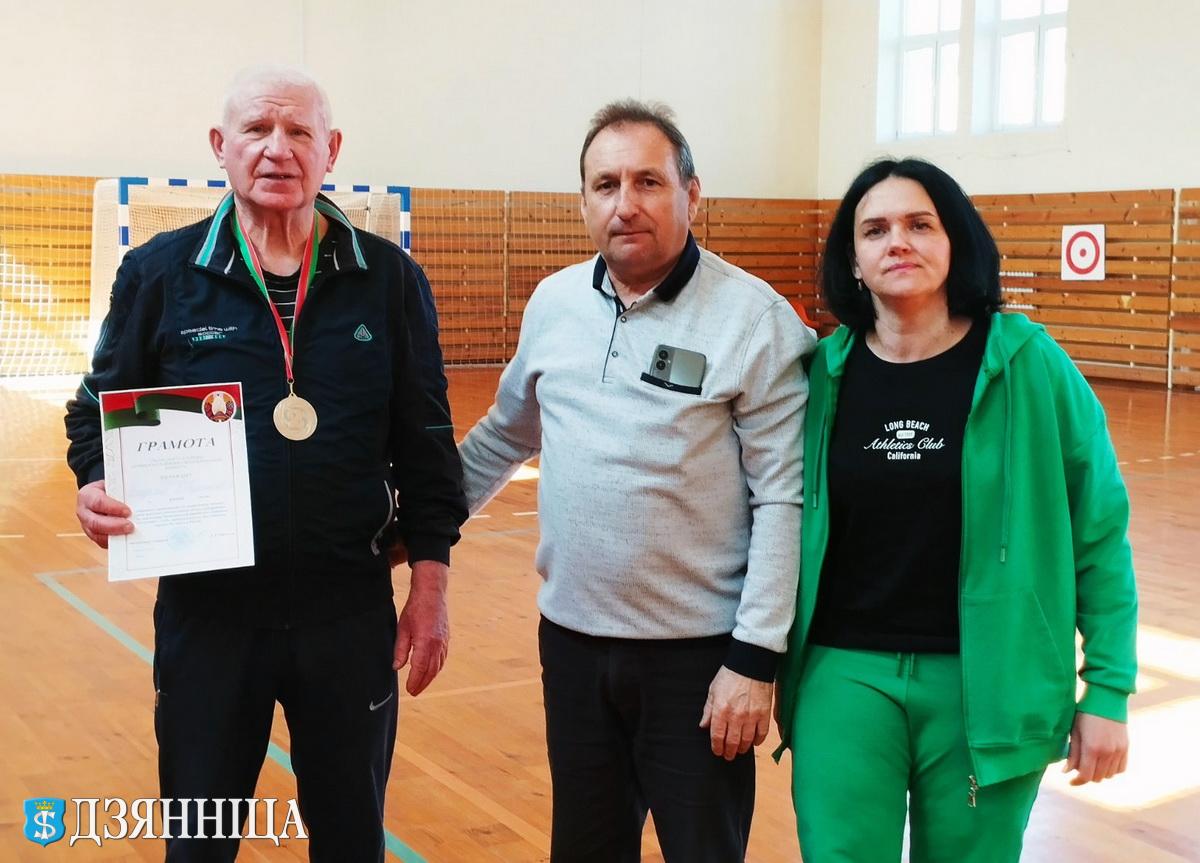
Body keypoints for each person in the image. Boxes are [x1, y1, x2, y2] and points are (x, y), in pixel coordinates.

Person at [64, 66, 467, 861]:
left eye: (298, 132)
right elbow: (93, 412)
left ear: (331, 150)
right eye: (256, 130)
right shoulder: (160, 273)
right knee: (200, 842)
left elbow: (427, 443)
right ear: (221, 145)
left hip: (348, 616)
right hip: (208, 618)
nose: (277, 149)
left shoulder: (389, 279)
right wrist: (93, 483)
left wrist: (431, 590)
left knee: (351, 839)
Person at [457, 100, 817, 862]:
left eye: (648, 181)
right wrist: (414, 528)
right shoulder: (554, 303)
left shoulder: (755, 320)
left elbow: (783, 498)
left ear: (692, 193)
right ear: (583, 200)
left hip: (699, 662)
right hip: (573, 647)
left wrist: (754, 659)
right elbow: (504, 436)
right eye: (606, 184)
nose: (626, 203)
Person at [774, 157, 1137, 862]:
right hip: (843, 674)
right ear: (852, 260)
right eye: (874, 230)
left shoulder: (1031, 365)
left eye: (920, 224)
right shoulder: (819, 374)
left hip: (989, 679)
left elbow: (1099, 534)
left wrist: (1109, 690)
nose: (897, 242)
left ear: (955, 241)